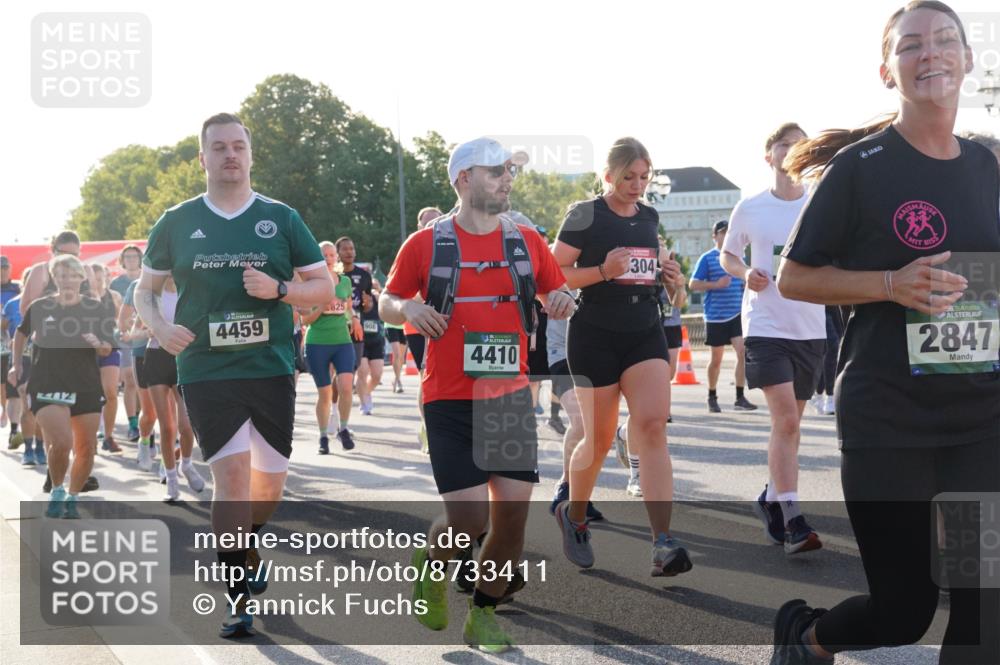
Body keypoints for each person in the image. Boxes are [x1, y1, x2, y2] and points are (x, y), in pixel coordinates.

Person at [771, 3, 999, 662]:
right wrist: (890, 284)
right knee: (904, 610)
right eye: (911, 45)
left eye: (946, 40)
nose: (931, 53)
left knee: (984, 606)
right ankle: (807, 636)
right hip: (889, 418)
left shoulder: (985, 166)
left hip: (980, 420)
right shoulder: (861, 167)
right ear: (887, 70)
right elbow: (794, 276)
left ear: (968, 59)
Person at [136, 112, 332, 638]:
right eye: (219, 147)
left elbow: (323, 287)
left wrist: (281, 290)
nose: (229, 155)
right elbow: (144, 290)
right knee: (232, 478)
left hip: (270, 366)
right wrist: (160, 328)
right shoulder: (176, 220)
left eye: (238, 146)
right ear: (202, 158)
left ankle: (247, 545)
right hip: (205, 368)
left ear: (250, 155)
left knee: (270, 484)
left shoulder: (281, 217)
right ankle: (237, 596)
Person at [380, 137, 574, 653]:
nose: (507, 179)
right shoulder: (425, 243)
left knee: (510, 522)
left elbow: (556, 288)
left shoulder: (525, 241)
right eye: (496, 171)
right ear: (464, 179)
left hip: (508, 398)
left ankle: (482, 614)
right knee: (469, 521)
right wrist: (407, 309)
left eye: (510, 170)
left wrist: (562, 299)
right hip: (448, 398)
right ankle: (432, 563)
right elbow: (387, 300)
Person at [552, 137, 692, 577]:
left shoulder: (649, 217)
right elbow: (553, 273)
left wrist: (670, 277)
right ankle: (574, 517)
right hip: (594, 334)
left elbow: (657, 272)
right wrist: (602, 272)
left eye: (644, 177)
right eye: (628, 176)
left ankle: (662, 542)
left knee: (652, 425)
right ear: (608, 175)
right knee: (597, 439)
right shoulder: (585, 213)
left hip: (644, 331)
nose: (637, 185)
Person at [720, 122, 827, 556]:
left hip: (810, 327)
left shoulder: (820, 204)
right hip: (765, 326)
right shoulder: (750, 207)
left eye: (800, 144)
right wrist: (746, 272)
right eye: (784, 144)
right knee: (785, 421)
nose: (792, 150)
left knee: (792, 425)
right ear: (770, 156)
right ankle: (794, 520)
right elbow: (729, 254)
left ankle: (770, 497)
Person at [10, 254, 114, 518]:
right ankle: (57, 489)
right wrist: (16, 365)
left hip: (86, 384)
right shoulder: (40, 306)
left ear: (81, 278)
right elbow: (20, 334)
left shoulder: (95, 308)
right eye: (61, 275)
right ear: (54, 279)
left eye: (72, 275)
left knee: (87, 448)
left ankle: (73, 497)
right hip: (47, 382)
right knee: (62, 441)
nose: (67, 280)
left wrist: (98, 344)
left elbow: (107, 348)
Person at [616, 238, 687, 498]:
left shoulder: (665, 258)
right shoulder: (626, 254)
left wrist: (679, 284)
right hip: (636, 332)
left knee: (658, 401)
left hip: (664, 329)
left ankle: (626, 433)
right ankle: (636, 473)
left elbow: (678, 301)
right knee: (640, 408)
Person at [690, 221, 757, 413]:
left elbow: (744, 282)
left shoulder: (739, 258)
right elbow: (693, 284)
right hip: (716, 316)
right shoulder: (707, 258)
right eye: (722, 232)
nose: (726, 235)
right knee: (716, 359)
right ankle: (712, 396)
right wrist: (716, 284)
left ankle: (739, 397)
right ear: (715, 236)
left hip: (736, 313)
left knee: (742, 352)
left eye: (728, 232)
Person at [302, 240, 357, 453]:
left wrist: (354, 318)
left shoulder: (345, 282)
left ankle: (343, 428)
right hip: (317, 342)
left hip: (342, 341)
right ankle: (323, 436)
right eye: (324, 255)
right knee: (325, 393)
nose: (328, 259)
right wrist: (322, 307)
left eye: (332, 255)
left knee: (346, 386)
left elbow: (348, 307)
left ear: (337, 258)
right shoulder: (311, 283)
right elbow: (306, 320)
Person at [405, 206, 443, 452]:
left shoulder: (453, 246)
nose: (432, 226)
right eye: (427, 222)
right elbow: (402, 294)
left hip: (447, 323)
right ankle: (428, 427)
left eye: (437, 221)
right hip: (418, 326)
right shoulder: (413, 247)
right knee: (426, 377)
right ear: (419, 226)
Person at [120, 279, 158, 467]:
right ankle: (145, 441)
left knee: (175, 416)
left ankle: (171, 468)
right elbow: (124, 323)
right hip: (143, 352)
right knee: (150, 412)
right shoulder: (138, 285)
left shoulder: (182, 278)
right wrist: (142, 332)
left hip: (175, 354)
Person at [88, 264, 124, 454]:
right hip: (87, 350)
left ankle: (108, 437)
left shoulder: (114, 296)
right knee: (91, 394)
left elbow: (120, 322)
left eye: (100, 278)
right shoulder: (83, 297)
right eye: (94, 279)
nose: (97, 281)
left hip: (110, 347)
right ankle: (90, 437)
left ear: (106, 277)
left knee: (111, 392)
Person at [110, 244, 144, 438]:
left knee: (143, 383)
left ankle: (141, 418)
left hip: (145, 334)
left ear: (140, 259)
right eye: (127, 257)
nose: (131, 260)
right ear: (122, 261)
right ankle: (133, 425)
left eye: (134, 256)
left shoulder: (148, 279)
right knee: (130, 379)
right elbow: (113, 310)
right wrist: (123, 324)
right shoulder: (116, 283)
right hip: (124, 336)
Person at [356, 277, 386, 415]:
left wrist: (379, 291)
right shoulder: (356, 300)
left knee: (377, 375)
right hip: (360, 340)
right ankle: (364, 403)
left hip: (376, 341)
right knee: (362, 372)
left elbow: (387, 303)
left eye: (373, 285)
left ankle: (366, 392)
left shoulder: (377, 298)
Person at [1, 256, 23, 441]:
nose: (2, 271)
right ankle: (4, 410)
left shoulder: (17, 288)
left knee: (9, 383)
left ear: (9, 269)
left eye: (5, 268)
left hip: (12, 343)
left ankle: (11, 420)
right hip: (4, 339)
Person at [808, 306, 844, 416]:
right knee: (832, 345)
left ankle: (818, 393)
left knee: (837, 338)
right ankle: (830, 396)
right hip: (818, 304)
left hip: (835, 305)